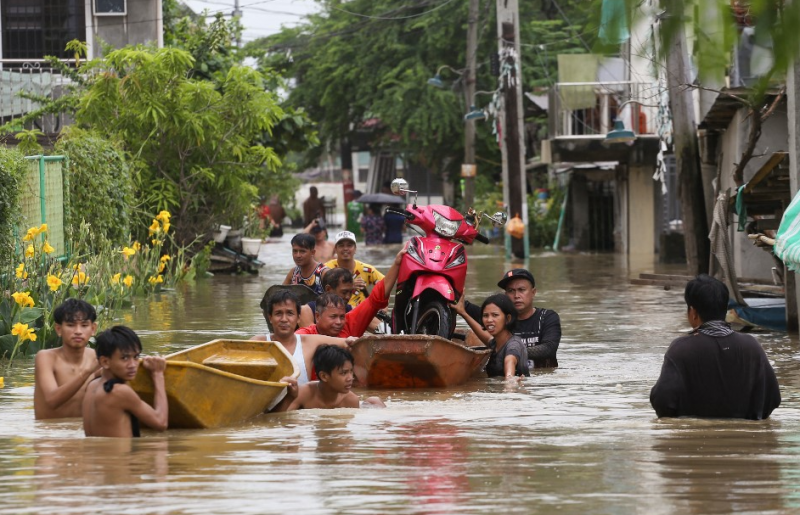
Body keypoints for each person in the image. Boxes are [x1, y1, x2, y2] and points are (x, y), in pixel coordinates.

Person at [650, 274, 781, 420]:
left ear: (693, 312)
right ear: (724, 310)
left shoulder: (680, 349)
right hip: (745, 438)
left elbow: (662, 402)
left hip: (696, 439)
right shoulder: (752, 346)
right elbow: (773, 399)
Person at [456, 269, 561, 369]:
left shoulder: (547, 317)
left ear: (533, 292)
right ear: (506, 295)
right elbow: (469, 309)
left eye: (521, 290)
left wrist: (511, 350)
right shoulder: (498, 318)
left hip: (542, 381)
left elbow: (549, 349)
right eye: (511, 291)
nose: (516, 296)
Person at [251, 290, 356, 386]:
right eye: (278, 313)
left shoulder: (309, 341)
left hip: (302, 403)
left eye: (290, 313)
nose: (284, 319)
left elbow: (346, 343)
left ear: (298, 318)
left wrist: (352, 340)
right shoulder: (257, 343)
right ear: (270, 318)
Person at [300, 246, 405, 338]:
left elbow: (375, 299)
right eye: (333, 317)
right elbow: (307, 341)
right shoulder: (307, 311)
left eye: (342, 317)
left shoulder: (351, 316)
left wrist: (397, 264)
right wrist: (345, 343)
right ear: (318, 317)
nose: (348, 297)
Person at [82, 326, 168, 437]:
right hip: (123, 455)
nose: (133, 365)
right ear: (105, 361)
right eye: (125, 358)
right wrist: (158, 374)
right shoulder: (119, 391)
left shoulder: (91, 386)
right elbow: (161, 423)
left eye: (136, 357)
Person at [34, 299, 100, 419]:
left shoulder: (98, 358)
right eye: (71, 325)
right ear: (58, 329)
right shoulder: (46, 358)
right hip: (50, 434)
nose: (78, 332)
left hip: (83, 433)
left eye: (84, 325)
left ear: (93, 329)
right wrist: (87, 372)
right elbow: (52, 400)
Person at [273, 345, 385, 411]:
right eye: (344, 373)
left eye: (351, 372)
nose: (350, 378)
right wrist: (290, 397)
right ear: (324, 376)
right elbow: (277, 420)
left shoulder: (350, 400)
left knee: (375, 401)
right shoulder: (304, 393)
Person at [459, 294, 529, 381]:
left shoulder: (513, 346)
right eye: (485, 316)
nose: (489, 320)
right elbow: (486, 337)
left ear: (508, 318)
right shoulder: (496, 343)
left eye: (495, 315)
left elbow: (510, 362)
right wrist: (463, 313)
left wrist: (510, 380)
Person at [325, 231, 384, 307]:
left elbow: (385, 284)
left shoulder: (366, 269)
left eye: (349, 245)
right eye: (341, 246)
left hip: (361, 313)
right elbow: (319, 292)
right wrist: (350, 285)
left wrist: (383, 307)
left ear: (355, 249)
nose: (345, 249)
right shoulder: (326, 269)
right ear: (335, 249)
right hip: (336, 310)